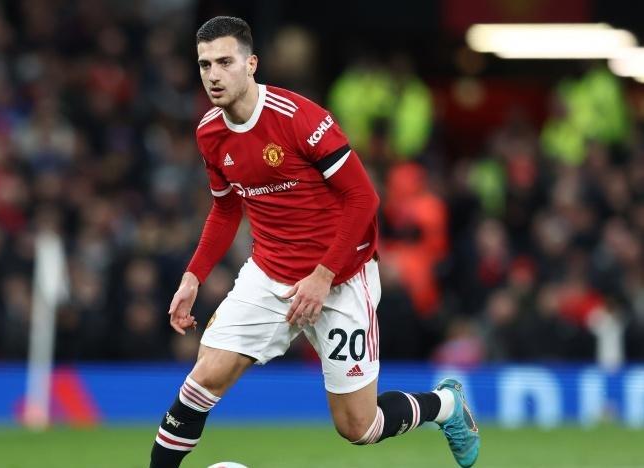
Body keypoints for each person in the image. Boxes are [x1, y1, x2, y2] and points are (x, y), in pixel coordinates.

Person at [149, 16, 480, 468]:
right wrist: (193, 277)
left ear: (251, 64)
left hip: (340, 278)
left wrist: (323, 277)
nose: (214, 75)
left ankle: (446, 405)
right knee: (203, 379)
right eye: (205, 65)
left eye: (225, 62)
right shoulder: (210, 132)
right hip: (269, 275)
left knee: (359, 426)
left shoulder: (299, 118)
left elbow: (364, 199)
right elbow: (226, 210)